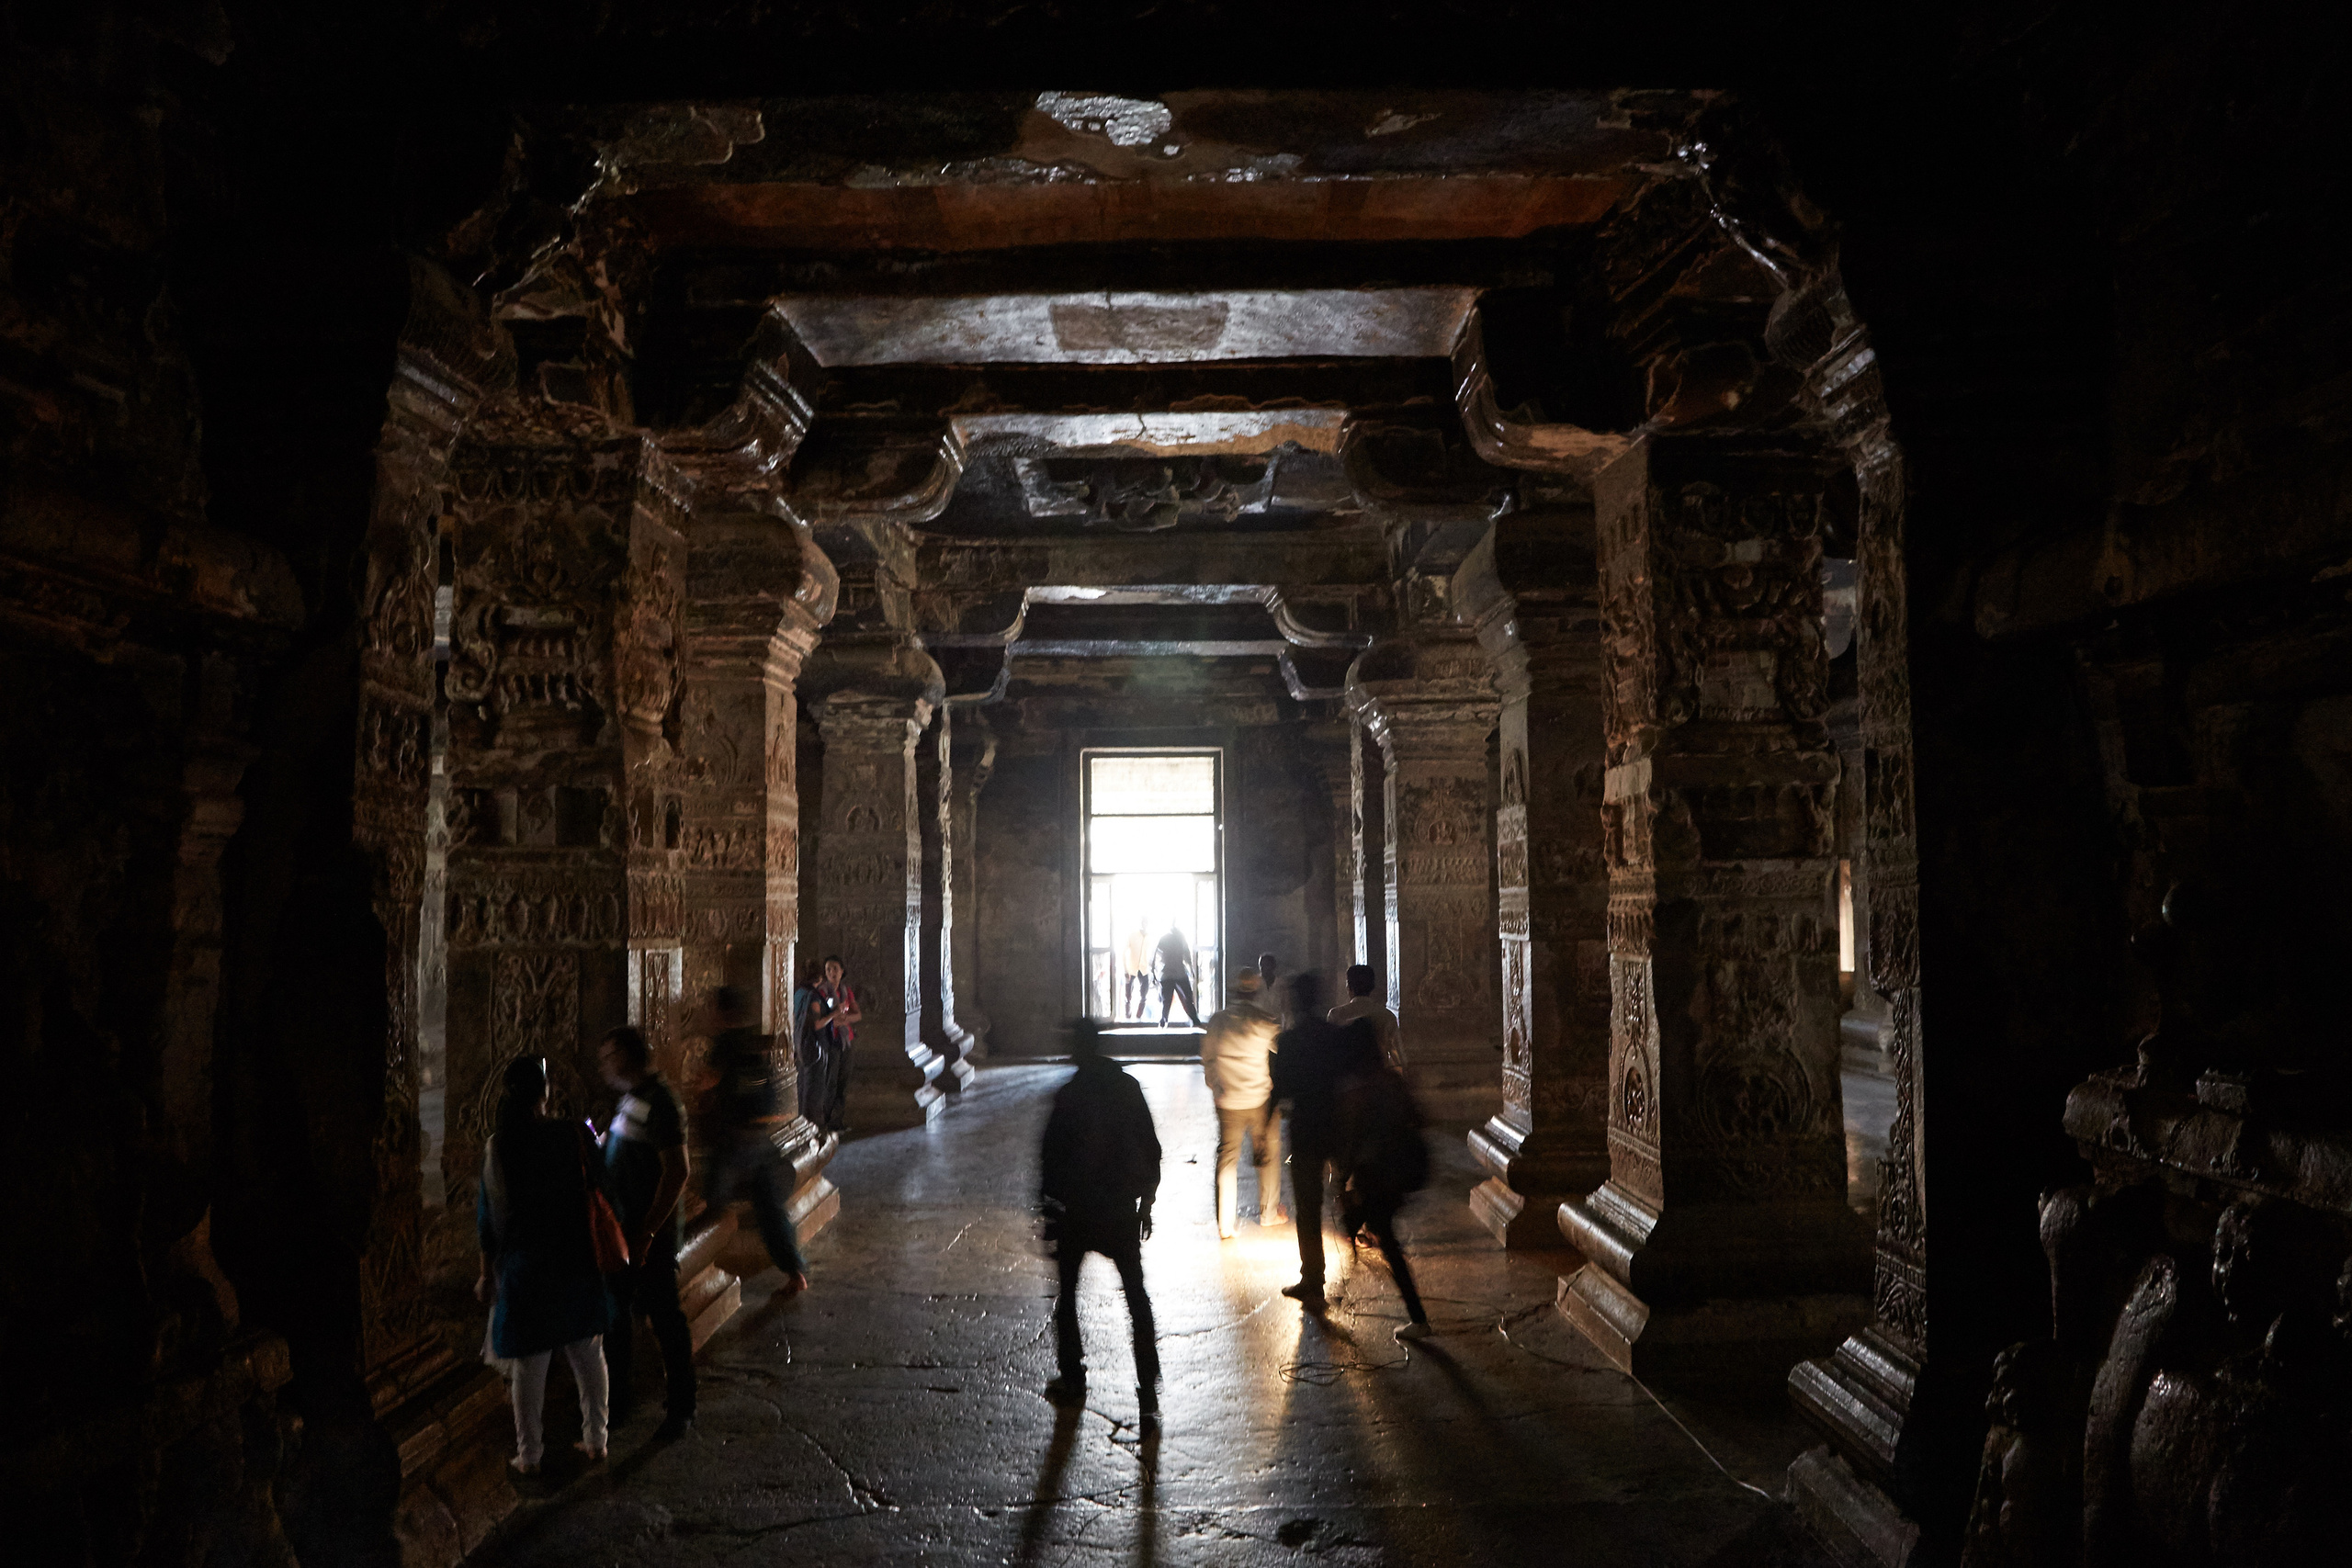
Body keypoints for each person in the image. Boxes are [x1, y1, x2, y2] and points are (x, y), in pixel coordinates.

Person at [476, 1054, 612, 1473]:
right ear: (545, 1094)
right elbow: (601, 1181)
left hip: (526, 1264)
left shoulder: (499, 1145)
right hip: (574, 1257)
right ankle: (596, 1440)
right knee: (587, 1352)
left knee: (529, 1365)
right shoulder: (573, 1133)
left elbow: (488, 1219)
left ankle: (530, 1455)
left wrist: (486, 1273)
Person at [1039, 1019, 1163, 1424]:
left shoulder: (1069, 1095)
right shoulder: (1127, 1087)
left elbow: (1051, 1160)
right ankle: (1148, 1383)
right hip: (1119, 1208)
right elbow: (1151, 1147)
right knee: (1136, 1296)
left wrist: (1050, 1208)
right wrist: (1146, 1203)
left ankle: (1073, 1377)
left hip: (1078, 1209)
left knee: (1068, 1296)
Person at [597, 1025, 696, 1440]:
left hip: (646, 1234)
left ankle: (681, 1407)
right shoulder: (632, 1099)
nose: (604, 1066)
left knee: (665, 1318)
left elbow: (678, 1171)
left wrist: (649, 1232)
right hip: (623, 1231)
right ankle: (617, 1403)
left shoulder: (662, 1103)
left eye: (609, 1057)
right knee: (617, 1319)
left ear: (627, 1056)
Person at [1269, 971, 1380, 1314]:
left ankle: (1313, 1278)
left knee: (1307, 1206)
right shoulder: (1335, 1036)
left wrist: (1263, 1128)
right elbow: (1357, 1070)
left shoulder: (1288, 1042)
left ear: (1295, 1002)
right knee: (1346, 1185)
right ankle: (1361, 1229)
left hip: (1305, 1130)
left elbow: (1281, 1090)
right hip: (1337, 1125)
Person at [701, 985, 812, 1295]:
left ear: (721, 1012)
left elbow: (709, 1081)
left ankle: (701, 1281)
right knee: (769, 1208)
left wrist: (705, 1092)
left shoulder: (724, 1044)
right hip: (756, 1136)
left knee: (710, 1205)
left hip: (732, 1140)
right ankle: (794, 1270)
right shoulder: (749, 1040)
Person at [1337, 1050, 1433, 1342]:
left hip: (1375, 1175)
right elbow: (1419, 1118)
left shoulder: (1358, 1090)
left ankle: (1418, 1318)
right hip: (1398, 1173)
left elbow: (1353, 1139)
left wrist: (1341, 1178)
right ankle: (1343, 1282)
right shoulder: (1393, 1081)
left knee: (1386, 1240)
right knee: (1378, 1231)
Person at [1200, 968, 1285, 1239]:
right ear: (1256, 992)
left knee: (1227, 1161)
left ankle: (1226, 1225)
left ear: (1233, 992)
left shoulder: (1218, 1021)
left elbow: (1207, 1058)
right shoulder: (1264, 1020)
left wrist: (1216, 1086)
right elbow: (1282, 1049)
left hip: (1228, 1101)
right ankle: (1269, 1214)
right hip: (1259, 1099)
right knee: (1268, 1154)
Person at [803, 956, 861, 1134]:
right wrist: (837, 1018)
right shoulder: (821, 993)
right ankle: (826, 1122)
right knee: (830, 1083)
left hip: (846, 1041)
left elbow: (857, 1015)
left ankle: (838, 1121)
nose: (832, 973)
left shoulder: (845, 991)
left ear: (842, 971)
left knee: (843, 1082)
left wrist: (843, 1019)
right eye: (828, 969)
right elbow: (822, 1021)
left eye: (835, 968)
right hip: (831, 1042)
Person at [1328, 964, 1406, 1074]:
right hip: (1378, 1077)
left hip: (1347, 1079)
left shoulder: (1336, 1015)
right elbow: (1399, 1057)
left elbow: (1330, 1053)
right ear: (1372, 987)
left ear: (1349, 987)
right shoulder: (1387, 1016)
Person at [1155, 923, 1201, 1027]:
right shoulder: (1180, 939)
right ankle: (1194, 1020)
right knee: (1187, 998)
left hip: (1167, 973)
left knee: (1167, 1000)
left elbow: (1156, 956)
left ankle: (1163, 1021)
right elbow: (1187, 955)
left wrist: (1155, 972)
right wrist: (1191, 969)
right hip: (1178, 973)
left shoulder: (1165, 939)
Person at [1123, 922, 1151, 1019]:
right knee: (1128, 995)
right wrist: (1125, 969)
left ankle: (1139, 1016)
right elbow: (1124, 952)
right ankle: (1127, 1015)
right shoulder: (1133, 935)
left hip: (1144, 969)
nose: (1145, 924)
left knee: (1144, 995)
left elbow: (1151, 954)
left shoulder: (1149, 937)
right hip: (1131, 968)